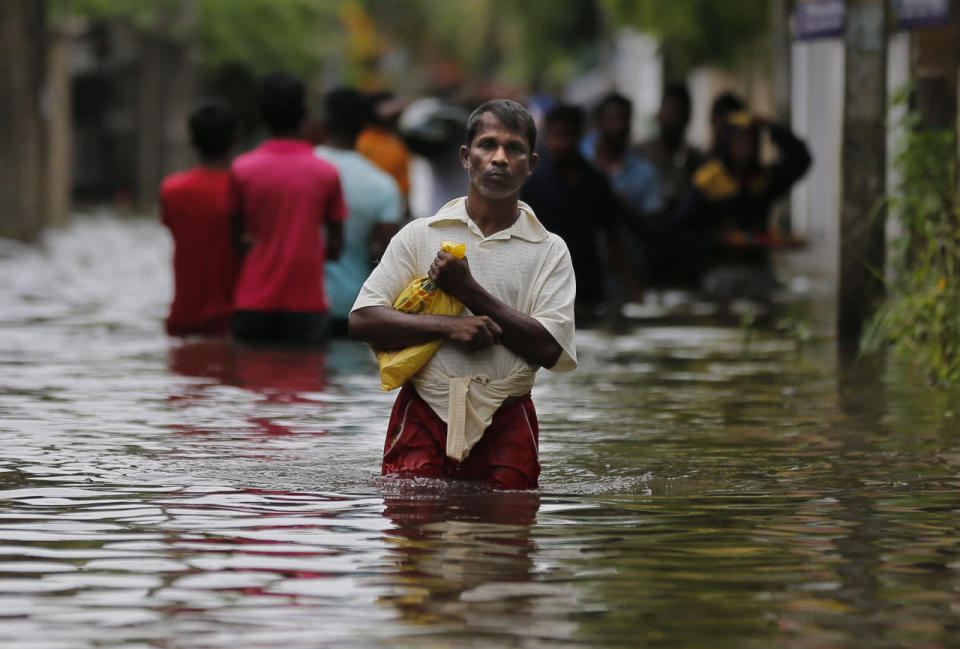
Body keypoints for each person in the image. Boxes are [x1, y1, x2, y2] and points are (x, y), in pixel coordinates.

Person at [349, 99, 577, 490]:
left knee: (506, 537)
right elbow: (362, 319)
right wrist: (447, 327)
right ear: (465, 157)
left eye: (515, 148)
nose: (500, 158)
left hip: (507, 417)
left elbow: (552, 350)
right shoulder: (421, 234)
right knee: (413, 531)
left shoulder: (549, 249)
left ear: (532, 163)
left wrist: (468, 290)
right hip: (424, 413)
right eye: (487, 145)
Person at [228, 73, 347, 345]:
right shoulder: (326, 173)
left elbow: (236, 242)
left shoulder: (241, 169)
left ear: (262, 117)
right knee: (304, 382)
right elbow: (337, 245)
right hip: (307, 306)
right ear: (304, 116)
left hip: (252, 302)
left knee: (250, 382)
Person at [676, 111, 812, 301]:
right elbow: (682, 229)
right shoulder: (707, 181)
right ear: (727, 144)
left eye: (749, 142)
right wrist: (716, 238)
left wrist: (770, 126)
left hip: (759, 271)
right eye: (738, 142)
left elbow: (801, 159)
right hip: (720, 271)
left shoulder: (763, 180)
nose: (744, 149)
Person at [521, 104, 641, 317]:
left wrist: (632, 289)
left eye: (565, 135)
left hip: (587, 282)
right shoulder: (533, 183)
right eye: (554, 135)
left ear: (578, 136)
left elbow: (612, 237)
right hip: (545, 283)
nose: (559, 143)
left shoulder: (596, 182)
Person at [315, 88, 403, 336]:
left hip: (299, 302)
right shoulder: (382, 184)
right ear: (364, 127)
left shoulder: (303, 170)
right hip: (353, 305)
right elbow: (388, 257)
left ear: (324, 123)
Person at [159, 101, 239, 337]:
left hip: (182, 317)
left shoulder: (171, 190)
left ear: (192, 142)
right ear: (234, 140)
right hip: (232, 319)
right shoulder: (244, 190)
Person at [635, 83, 706, 288]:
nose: (674, 118)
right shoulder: (640, 153)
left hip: (685, 251)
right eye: (671, 111)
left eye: (680, 112)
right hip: (646, 249)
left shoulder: (696, 159)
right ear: (660, 113)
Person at [580, 92, 663, 223]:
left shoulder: (644, 173)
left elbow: (654, 227)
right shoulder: (579, 165)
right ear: (599, 123)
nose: (621, 126)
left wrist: (620, 207)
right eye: (615, 120)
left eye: (626, 119)